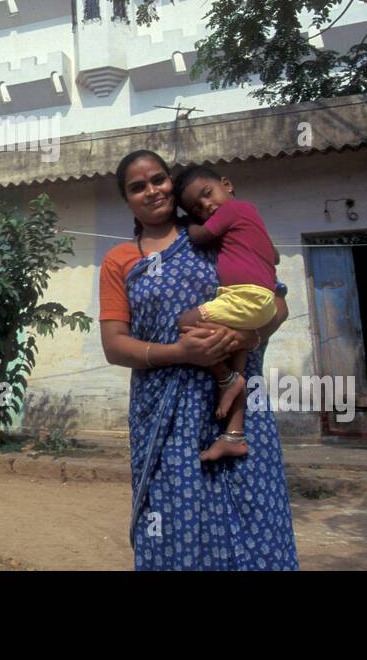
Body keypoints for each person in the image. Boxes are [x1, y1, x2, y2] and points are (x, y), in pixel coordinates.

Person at [99, 149, 299, 570]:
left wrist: (246, 335)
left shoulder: (218, 233)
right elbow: (115, 346)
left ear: (172, 182)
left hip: (240, 410)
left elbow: (275, 303)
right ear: (128, 200)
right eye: (138, 187)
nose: (152, 191)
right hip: (166, 418)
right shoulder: (121, 261)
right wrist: (181, 353)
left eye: (158, 179)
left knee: (254, 516)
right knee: (174, 523)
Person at [173, 165, 281, 461]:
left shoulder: (234, 210)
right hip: (257, 300)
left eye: (207, 194)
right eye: (198, 207)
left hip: (246, 296)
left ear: (227, 184)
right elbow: (275, 256)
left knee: (186, 323)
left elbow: (199, 236)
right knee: (237, 353)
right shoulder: (248, 218)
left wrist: (187, 223)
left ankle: (224, 377)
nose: (207, 205)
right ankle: (234, 435)